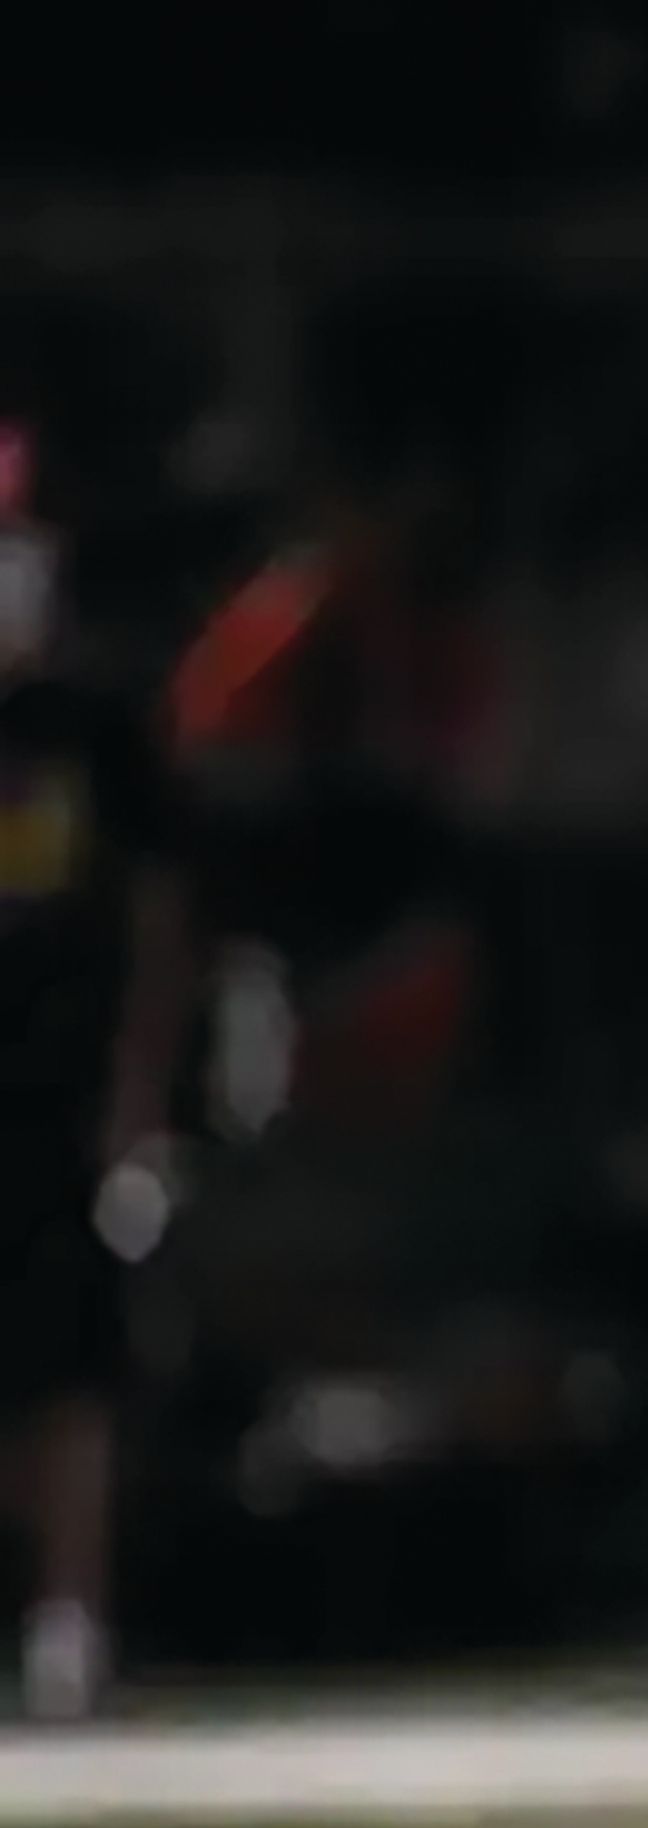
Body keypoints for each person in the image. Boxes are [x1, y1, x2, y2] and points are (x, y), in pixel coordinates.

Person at [0, 474, 188, 1720]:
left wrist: (140, 1090)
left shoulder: (96, 731)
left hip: (56, 1098)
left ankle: (72, 1615)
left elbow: (162, 920)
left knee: (70, 1364)